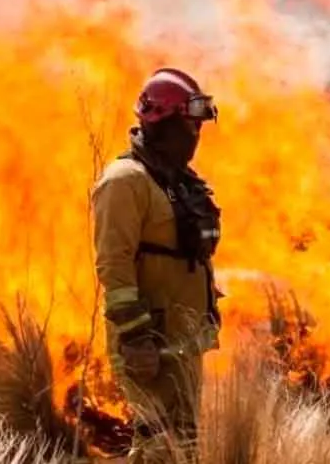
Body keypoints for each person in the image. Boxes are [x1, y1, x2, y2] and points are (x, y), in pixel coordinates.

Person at [91, 67, 222, 463]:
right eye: (189, 125)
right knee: (157, 448)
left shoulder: (175, 182)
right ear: (162, 122)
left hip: (182, 342)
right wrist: (135, 339)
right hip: (150, 344)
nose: (195, 136)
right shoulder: (124, 182)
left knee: (184, 447)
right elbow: (114, 266)